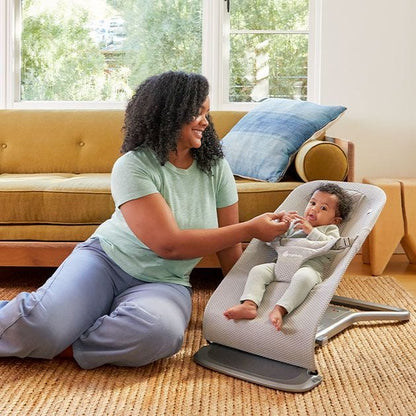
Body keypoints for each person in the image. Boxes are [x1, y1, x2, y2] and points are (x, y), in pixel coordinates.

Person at [0, 71, 289, 369]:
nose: (205, 122)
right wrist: (252, 228)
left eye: (207, 113)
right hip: (105, 263)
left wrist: (249, 301)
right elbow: (168, 245)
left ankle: (61, 337)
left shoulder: (216, 167)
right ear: (168, 113)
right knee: (43, 325)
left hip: (165, 281)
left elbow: (229, 249)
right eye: (197, 113)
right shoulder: (133, 165)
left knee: (158, 334)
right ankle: (48, 328)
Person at [224, 183, 353, 330]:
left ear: (335, 220)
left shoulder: (330, 229)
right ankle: (249, 304)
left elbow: (331, 246)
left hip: (309, 267)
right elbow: (272, 240)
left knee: (304, 278)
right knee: (258, 271)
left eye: (323, 208)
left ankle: (280, 309)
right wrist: (281, 224)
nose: (314, 209)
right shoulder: (295, 224)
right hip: (281, 265)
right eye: (312, 203)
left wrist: (311, 231)